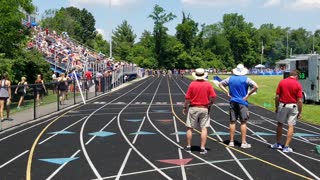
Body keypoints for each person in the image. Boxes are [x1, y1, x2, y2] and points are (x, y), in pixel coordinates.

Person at [219, 64, 258, 148]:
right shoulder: (246, 79)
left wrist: (227, 92)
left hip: (233, 101)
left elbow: (220, 84)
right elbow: (256, 86)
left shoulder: (230, 79)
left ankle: (231, 141)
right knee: (243, 122)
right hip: (242, 102)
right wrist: (248, 94)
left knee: (232, 122)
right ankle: (243, 143)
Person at [183, 68, 217, 154]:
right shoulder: (208, 84)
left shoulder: (192, 84)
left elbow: (187, 98)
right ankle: (202, 148)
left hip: (193, 107)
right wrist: (211, 103)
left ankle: (188, 147)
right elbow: (213, 96)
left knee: (190, 127)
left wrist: (185, 107)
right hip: (204, 108)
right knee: (204, 128)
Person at [271, 70, 302, 153]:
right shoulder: (298, 84)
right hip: (293, 105)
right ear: (296, 76)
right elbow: (299, 100)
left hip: (283, 105)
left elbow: (277, 96)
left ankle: (277, 143)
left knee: (280, 124)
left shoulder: (282, 82)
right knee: (291, 125)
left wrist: (277, 106)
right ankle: (286, 146)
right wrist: (300, 111)